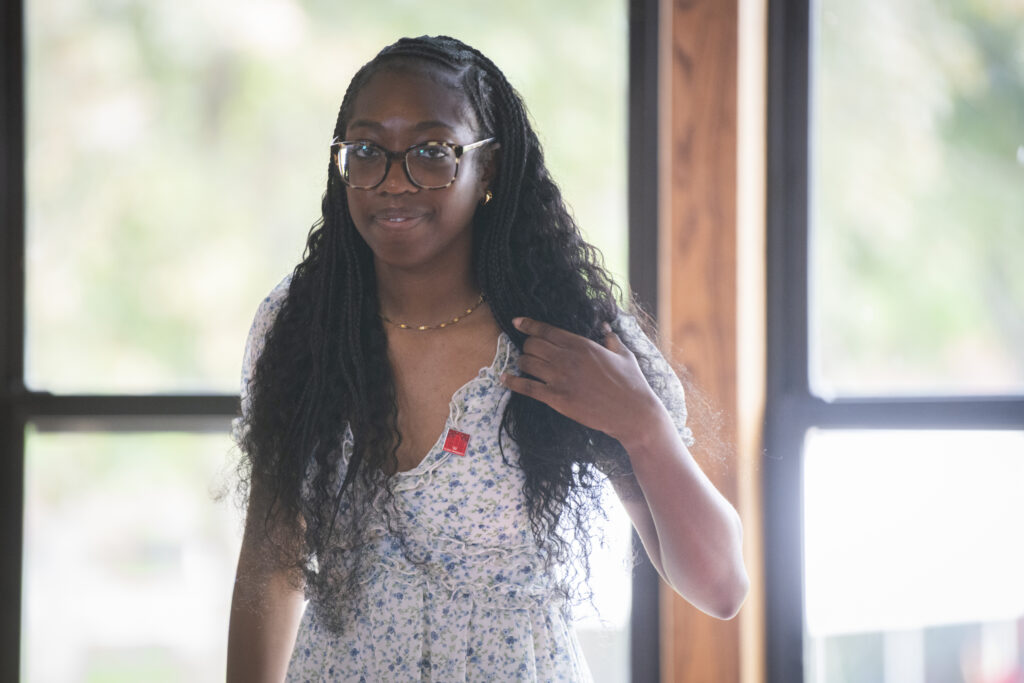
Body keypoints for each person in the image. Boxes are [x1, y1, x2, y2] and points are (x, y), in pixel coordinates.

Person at [227, 35, 748, 683]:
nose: (394, 179)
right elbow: (269, 564)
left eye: (431, 151)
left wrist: (644, 425)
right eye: (367, 151)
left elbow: (721, 587)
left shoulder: (569, 334)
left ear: (490, 168)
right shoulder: (298, 325)